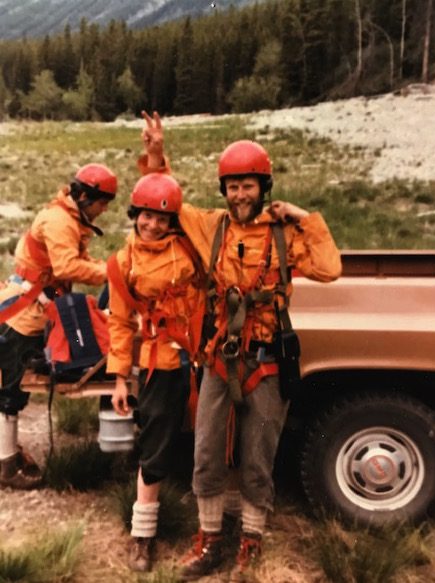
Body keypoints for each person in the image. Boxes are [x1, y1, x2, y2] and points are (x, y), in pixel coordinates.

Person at [140, 112, 342, 582]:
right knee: (207, 452)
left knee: (257, 457)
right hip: (219, 360)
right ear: (224, 191)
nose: (240, 194)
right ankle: (209, 539)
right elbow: (163, 197)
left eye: (248, 185)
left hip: (267, 364)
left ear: (263, 186)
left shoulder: (285, 235)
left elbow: (331, 268)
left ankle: (251, 539)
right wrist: (154, 152)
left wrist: (304, 218)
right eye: (232, 186)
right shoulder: (211, 228)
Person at [107, 172, 204, 573]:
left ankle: (218, 525)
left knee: (220, 435)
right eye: (146, 215)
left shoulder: (189, 246)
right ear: (135, 214)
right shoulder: (122, 262)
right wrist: (119, 378)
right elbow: (119, 322)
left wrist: (159, 155)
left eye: (162, 219)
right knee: (155, 444)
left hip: (202, 354)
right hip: (159, 361)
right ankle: (142, 534)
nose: (152, 225)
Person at [0, 163, 117, 490]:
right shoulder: (58, 221)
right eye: (102, 202)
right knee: (10, 389)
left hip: (39, 304)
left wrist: (108, 266)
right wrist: (112, 272)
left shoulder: (69, 217)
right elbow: (67, 266)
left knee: (19, 381)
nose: (104, 209)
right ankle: (6, 465)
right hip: (24, 312)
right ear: (84, 196)